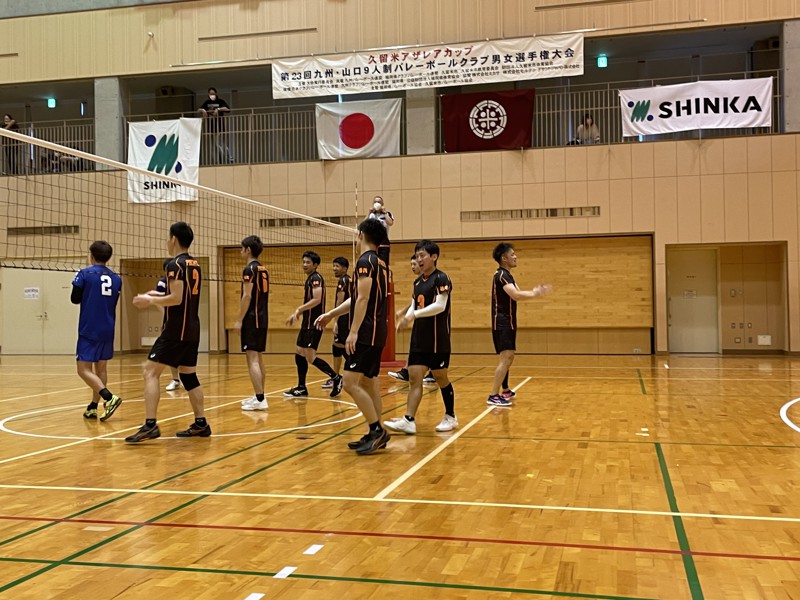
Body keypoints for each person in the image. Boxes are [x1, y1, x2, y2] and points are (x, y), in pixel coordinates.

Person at [127, 222, 210, 442]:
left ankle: (150, 426)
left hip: (176, 329)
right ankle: (201, 423)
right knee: (188, 376)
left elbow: (177, 298)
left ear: (173, 239)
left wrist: (150, 300)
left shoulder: (175, 264)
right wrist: (156, 296)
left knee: (150, 372)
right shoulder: (195, 264)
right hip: (191, 327)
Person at [315, 219, 390, 455]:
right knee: (368, 383)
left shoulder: (364, 261)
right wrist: (332, 314)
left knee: (349, 382)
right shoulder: (381, 263)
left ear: (361, 235)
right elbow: (357, 297)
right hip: (377, 331)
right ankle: (375, 432)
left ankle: (377, 430)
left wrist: (354, 331)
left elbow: (363, 299)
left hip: (366, 332)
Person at [385, 240, 458, 434]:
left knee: (441, 377)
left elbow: (440, 305)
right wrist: (405, 318)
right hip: (419, 339)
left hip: (437, 340)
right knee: (414, 379)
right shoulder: (417, 282)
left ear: (434, 257)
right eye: (417, 256)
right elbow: (413, 305)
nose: (419, 259)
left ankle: (450, 416)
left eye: (422, 255)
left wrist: (413, 315)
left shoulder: (442, 278)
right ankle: (409, 420)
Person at [488, 243, 551, 407]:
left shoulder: (507, 275)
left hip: (508, 321)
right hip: (502, 322)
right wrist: (535, 293)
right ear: (504, 258)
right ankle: (493, 395)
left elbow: (519, 292)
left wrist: (535, 292)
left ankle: (505, 389)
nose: (515, 257)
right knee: (506, 357)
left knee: (508, 357)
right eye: (512, 254)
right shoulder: (501, 275)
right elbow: (515, 295)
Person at [71, 241, 123, 421]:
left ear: (91, 255)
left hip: (89, 328)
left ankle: (109, 398)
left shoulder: (84, 274)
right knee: (101, 368)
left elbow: (74, 299)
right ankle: (93, 406)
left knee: (83, 369)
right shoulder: (116, 278)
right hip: (108, 327)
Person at [284, 251, 340, 398]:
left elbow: (317, 299)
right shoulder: (310, 278)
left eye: (308, 262)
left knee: (310, 357)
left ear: (315, 265)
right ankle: (302, 387)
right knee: (299, 353)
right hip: (307, 324)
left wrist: (299, 309)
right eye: (303, 262)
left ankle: (336, 378)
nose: (304, 265)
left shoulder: (316, 278)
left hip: (314, 324)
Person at [388, 254, 436, 386]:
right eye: (411, 265)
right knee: (417, 346)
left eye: (415, 264)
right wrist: (405, 314)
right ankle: (408, 371)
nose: (413, 267)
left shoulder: (433, 280)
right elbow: (415, 302)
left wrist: (404, 314)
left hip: (430, 320)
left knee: (426, 347)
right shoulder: (418, 282)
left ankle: (428, 373)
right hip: (420, 319)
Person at [236, 235, 270, 411]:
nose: (240, 252)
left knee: (252, 359)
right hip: (262, 317)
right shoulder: (263, 269)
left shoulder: (249, 269)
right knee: (258, 357)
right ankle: (259, 395)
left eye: (242, 248)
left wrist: (239, 320)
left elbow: (247, 296)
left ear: (248, 250)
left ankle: (260, 399)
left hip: (252, 318)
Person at [146, 258, 182, 392]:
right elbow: (159, 301)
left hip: (183, 321)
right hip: (170, 323)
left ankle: (185, 378)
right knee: (172, 351)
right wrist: (165, 318)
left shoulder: (181, 281)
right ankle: (175, 379)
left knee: (182, 351)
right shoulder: (163, 282)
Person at [322, 257, 350, 391]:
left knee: (341, 346)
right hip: (349, 318)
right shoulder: (350, 279)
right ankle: (337, 376)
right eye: (333, 266)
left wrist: (335, 321)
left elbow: (340, 301)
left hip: (344, 319)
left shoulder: (343, 281)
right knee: (338, 346)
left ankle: (340, 377)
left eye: (337, 266)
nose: (334, 269)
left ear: (345, 268)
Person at [198, 87, 232, 163]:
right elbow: (199, 109)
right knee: (212, 146)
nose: (212, 95)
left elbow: (227, 109)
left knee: (219, 143)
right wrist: (202, 110)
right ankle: (215, 161)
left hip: (219, 127)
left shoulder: (220, 101)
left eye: (213, 93)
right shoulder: (207, 102)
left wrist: (218, 109)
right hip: (210, 127)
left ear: (216, 93)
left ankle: (228, 158)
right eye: (210, 93)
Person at [367, 195, 394, 267]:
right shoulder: (371, 215)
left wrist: (385, 213)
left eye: (379, 202)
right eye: (375, 202)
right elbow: (364, 225)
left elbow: (390, 223)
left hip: (384, 243)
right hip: (373, 243)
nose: (377, 203)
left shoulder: (387, 214)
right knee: (373, 263)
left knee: (384, 263)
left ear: (382, 204)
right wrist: (368, 213)